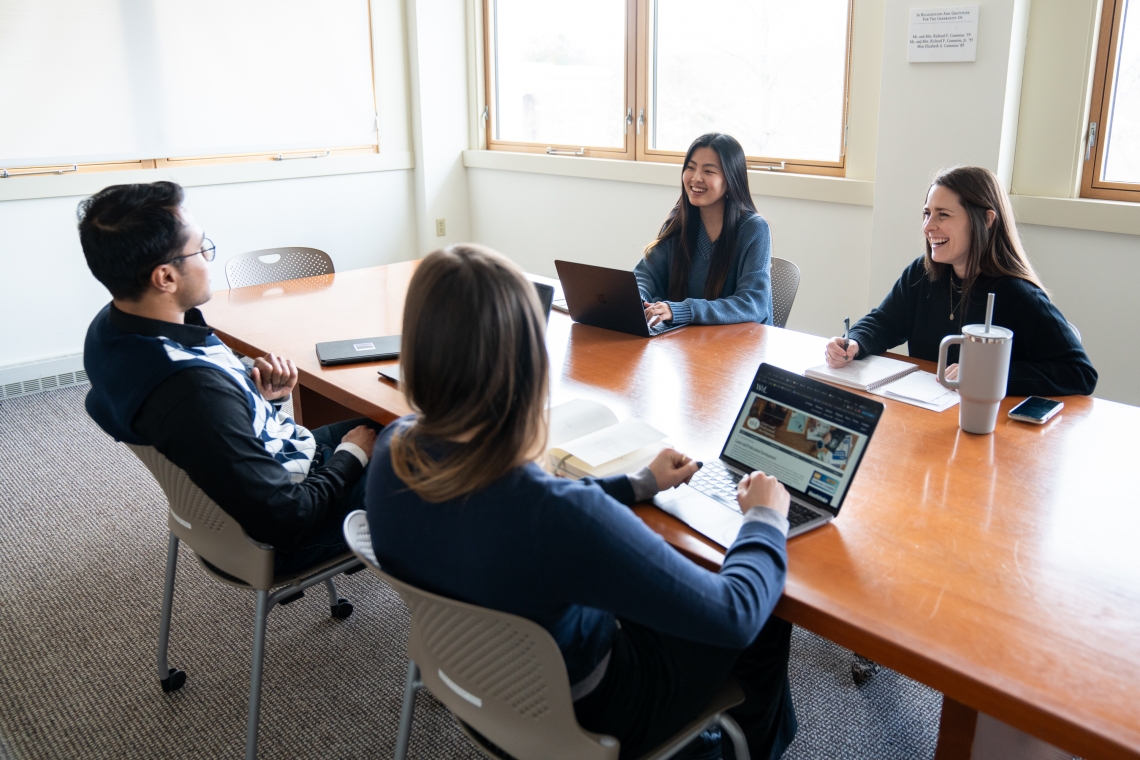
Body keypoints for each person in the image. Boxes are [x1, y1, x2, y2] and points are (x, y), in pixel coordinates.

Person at [366, 244, 797, 760]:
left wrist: (637, 484)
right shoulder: (555, 515)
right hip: (591, 714)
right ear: (527, 362)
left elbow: (524, 515)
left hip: (481, 691)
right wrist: (766, 520)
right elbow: (735, 614)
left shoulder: (392, 449)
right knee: (769, 609)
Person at [80, 181, 380, 575]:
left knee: (395, 424)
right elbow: (289, 518)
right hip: (285, 534)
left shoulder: (112, 329)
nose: (208, 258)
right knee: (444, 454)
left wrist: (259, 398)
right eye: (202, 248)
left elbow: (210, 428)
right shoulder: (192, 392)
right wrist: (352, 455)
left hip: (266, 471)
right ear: (165, 278)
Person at [824, 166, 1097, 397]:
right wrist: (855, 342)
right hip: (928, 413)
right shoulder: (922, 273)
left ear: (987, 220)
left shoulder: (1018, 294)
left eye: (943, 214)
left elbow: (1080, 373)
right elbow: (885, 322)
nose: (929, 226)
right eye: (927, 213)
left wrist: (987, 376)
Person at [637, 132, 774, 328]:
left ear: (730, 179)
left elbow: (753, 304)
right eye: (690, 168)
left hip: (738, 347)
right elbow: (645, 275)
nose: (696, 178)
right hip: (686, 343)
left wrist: (683, 310)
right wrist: (639, 300)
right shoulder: (679, 222)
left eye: (709, 171)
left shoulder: (754, 229)